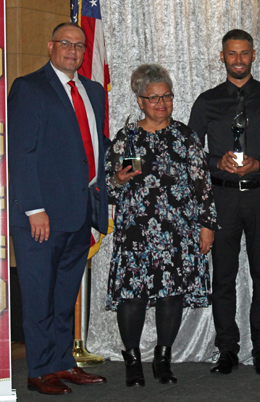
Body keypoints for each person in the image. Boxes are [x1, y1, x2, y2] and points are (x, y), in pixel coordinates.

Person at [188, 29, 260, 375]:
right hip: (220, 198)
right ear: (222, 56)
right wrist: (214, 161)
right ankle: (226, 350)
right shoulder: (207, 101)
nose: (238, 60)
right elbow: (191, 152)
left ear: (253, 55)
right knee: (223, 276)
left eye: (244, 53)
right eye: (231, 54)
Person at [8, 22, 109, 395]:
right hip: (41, 216)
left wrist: (116, 168)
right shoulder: (29, 88)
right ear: (51, 46)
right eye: (66, 43)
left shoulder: (94, 91)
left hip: (80, 210)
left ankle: (63, 362)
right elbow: (21, 153)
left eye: (79, 46)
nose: (73, 50)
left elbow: (95, 144)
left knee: (65, 295)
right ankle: (39, 371)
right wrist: (34, 209)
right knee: (39, 295)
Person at [105, 64, 217, 387]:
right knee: (132, 296)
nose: (161, 103)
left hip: (178, 232)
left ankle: (163, 359)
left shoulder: (185, 136)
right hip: (136, 232)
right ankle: (133, 362)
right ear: (139, 101)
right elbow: (108, 190)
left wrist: (206, 225)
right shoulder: (127, 139)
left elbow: (203, 185)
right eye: (153, 98)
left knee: (172, 294)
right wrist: (118, 179)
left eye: (166, 96)